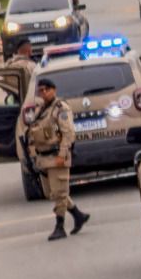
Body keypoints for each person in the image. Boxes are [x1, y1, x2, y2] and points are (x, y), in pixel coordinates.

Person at [25, 76, 89, 241]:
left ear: (53, 90)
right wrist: (33, 155)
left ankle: (60, 226)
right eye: (41, 90)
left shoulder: (61, 108)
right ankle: (78, 215)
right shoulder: (41, 109)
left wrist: (62, 154)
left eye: (46, 89)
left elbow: (68, 133)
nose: (43, 93)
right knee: (52, 193)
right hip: (44, 158)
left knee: (60, 193)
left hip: (57, 156)